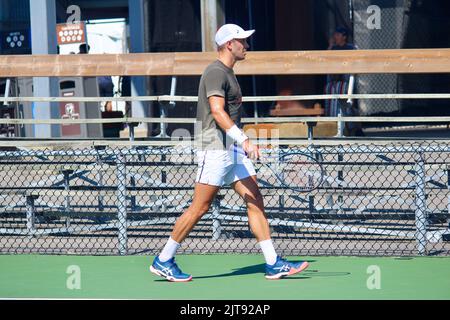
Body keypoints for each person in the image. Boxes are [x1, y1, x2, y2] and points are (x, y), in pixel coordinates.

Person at [150, 24, 309, 282]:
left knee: (255, 198)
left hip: (232, 151)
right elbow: (217, 111)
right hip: (215, 150)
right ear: (228, 45)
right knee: (199, 208)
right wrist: (245, 140)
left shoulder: (229, 73)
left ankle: (273, 263)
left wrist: (240, 144)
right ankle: (164, 259)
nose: (247, 46)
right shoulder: (215, 72)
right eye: (242, 41)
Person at [325, 27, 364, 136]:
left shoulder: (351, 48)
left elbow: (357, 60)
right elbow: (325, 61)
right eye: (335, 34)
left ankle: (354, 128)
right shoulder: (333, 48)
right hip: (335, 79)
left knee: (350, 104)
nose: (335, 37)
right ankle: (332, 126)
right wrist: (330, 46)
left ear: (344, 36)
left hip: (347, 78)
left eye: (338, 35)